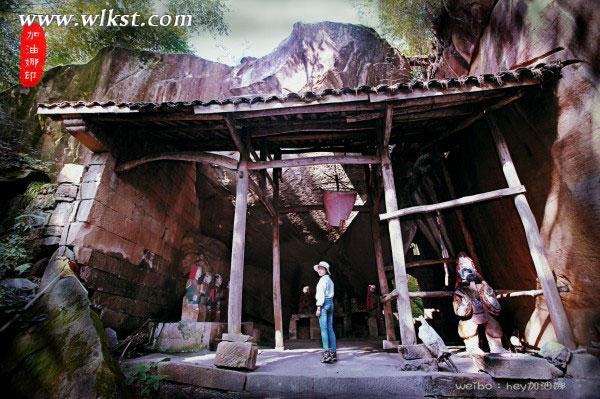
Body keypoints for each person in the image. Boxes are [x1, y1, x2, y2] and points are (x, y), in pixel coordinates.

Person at [314, 260, 337, 364]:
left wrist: (318, 307)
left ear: (326, 270)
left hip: (323, 304)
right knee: (330, 329)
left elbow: (320, 295)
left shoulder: (322, 280)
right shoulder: (330, 281)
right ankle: (333, 353)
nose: (319, 270)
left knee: (324, 330)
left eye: (321, 268)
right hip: (331, 304)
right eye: (318, 268)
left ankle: (326, 354)